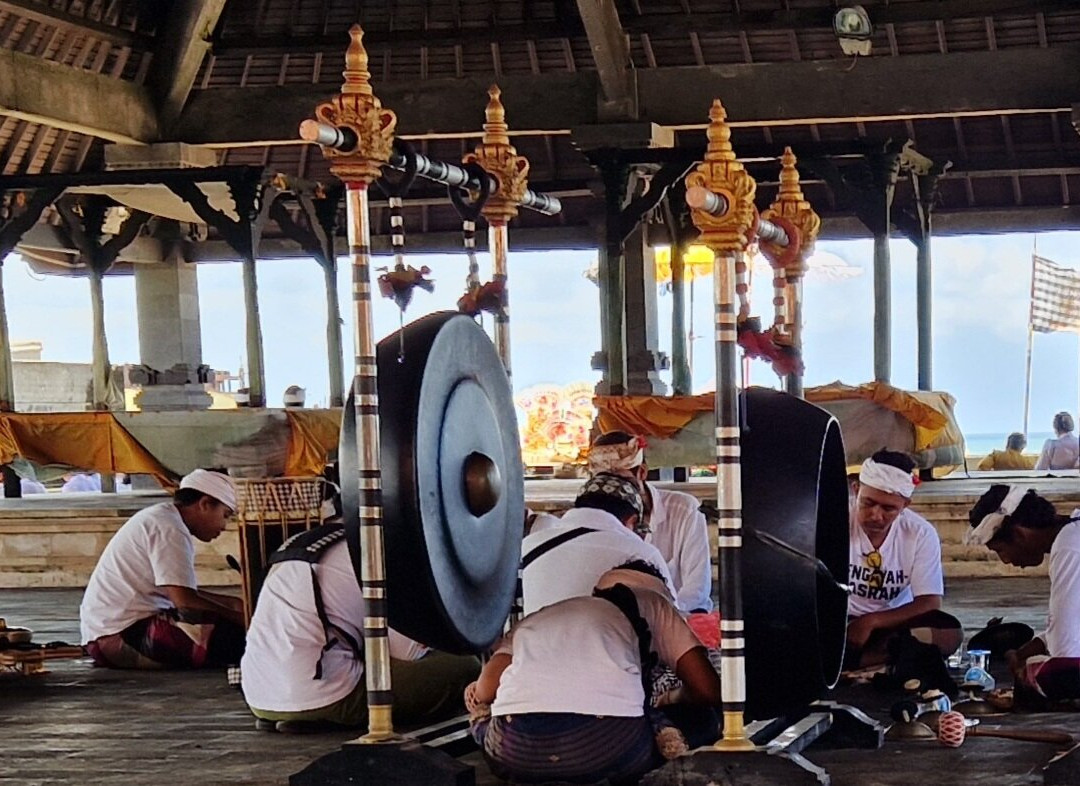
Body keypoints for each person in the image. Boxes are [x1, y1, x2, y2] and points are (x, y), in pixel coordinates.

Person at [468, 563, 721, 785]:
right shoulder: (652, 602)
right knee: (703, 718)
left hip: (514, 752)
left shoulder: (543, 615)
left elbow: (484, 691)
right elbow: (708, 690)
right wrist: (669, 699)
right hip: (605, 747)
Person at [242, 521, 479, 732]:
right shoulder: (378, 550)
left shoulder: (302, 542)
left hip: (257, 693)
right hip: (324, 695)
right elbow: (407, 653)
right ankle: (321, 716)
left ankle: (304, 716)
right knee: (464, 666)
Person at [80, 469, 246, 670]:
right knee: (240, 637)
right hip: (120, 638)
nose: (224, 525)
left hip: (105, 636)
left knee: (234, 626)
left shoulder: (163, 517)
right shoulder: (169, 527)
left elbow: (178, 591)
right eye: (225, 515)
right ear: (204, 504)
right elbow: (185, 602)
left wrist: (232, 603)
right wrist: (240, 618)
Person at [846, 450, 962, 668]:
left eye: (889, 508)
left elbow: (929, 602)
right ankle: (871, 660)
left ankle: (852, 661)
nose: (876, 515)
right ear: (856, 490)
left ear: (905, 505)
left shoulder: (920, 533)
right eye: (868, 503)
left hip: (890, 624)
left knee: (948, 633)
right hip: (838, 625)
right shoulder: (833, 522)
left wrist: (871, 621)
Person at [966, 485, 1080, 703]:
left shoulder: (1069, 546)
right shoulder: (1073, 531)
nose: (1006, 561)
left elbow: (1066, 654)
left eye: (1000, 550)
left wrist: (1025, 668)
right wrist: (1022, 652)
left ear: (1019, 533)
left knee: (1051, 675)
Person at [588, 431, 713, 613]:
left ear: (642, 472)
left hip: (680, 618)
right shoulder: (595, 518)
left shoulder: (683, 510)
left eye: (623, 482)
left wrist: (661, 620)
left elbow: (696, 590)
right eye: (606, 484)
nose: (616, 491)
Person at [520, 471, 675, 616]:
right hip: (607, 644)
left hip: (532, 643)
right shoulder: (641, 553)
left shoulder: (530, 544)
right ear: (632, 521)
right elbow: (673, 617)